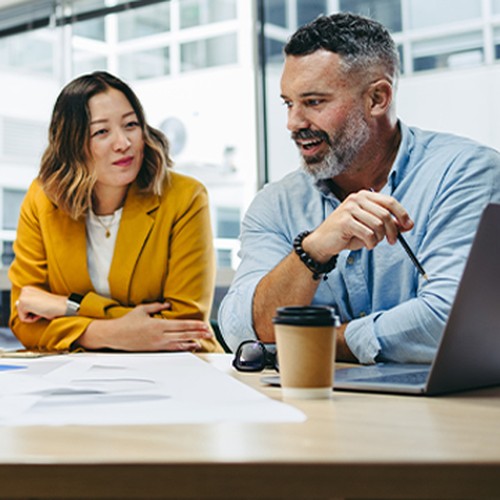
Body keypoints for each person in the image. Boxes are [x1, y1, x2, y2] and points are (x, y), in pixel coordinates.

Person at [219, 13, 500, 364]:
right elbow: (240, 331)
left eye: (314, 102)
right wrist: (313, 251)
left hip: (447, 412)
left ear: (378, 98)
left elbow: (450, 324)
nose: (293, 123)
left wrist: (318, 340)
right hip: (310, 409)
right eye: (288, 103)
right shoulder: (274, 204)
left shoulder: (465, 174)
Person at [9, 71, 222, 353]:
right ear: (72, 145)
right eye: (101, 132)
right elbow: (24, 319)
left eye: (131, 125)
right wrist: (106, 333)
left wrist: (67, 307)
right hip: (80, 374)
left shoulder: (185, 197)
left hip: (179, 366)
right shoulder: (43, 198)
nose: (123, 143)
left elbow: (183, 326)